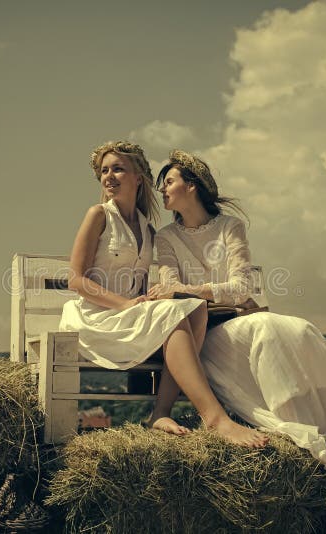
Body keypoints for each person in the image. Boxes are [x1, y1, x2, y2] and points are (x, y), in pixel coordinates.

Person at [148, 149, 326, 468]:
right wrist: (211, 295)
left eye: (169, 182)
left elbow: (241, 289)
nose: (162, 190)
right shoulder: (166, 237)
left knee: (296, 327)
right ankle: (288, 424)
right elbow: (171, 292)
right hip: (197, 333)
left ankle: (322, 425)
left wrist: (193, 291)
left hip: (233, 320)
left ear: (191, 186)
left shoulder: (230, 227)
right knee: (265, 327)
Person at [60, 141, 268, 448]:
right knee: (181, 309)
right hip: (96, 317)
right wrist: (126, 304)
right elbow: (75, 281)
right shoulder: (99, 215)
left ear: (138, 177)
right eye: (104, 171)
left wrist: (233, 303)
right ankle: (216, 419)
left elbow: (149, 287)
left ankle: (160, 413)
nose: (109, 176)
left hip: (132, 315)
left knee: (192, 307)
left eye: (118, 168)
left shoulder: (149, 230)